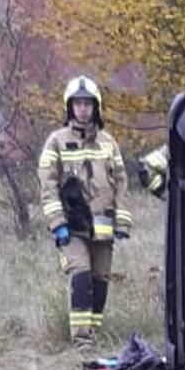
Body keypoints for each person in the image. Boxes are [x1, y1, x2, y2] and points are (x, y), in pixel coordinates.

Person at [39, 76, 128, 350]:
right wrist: (57, 223)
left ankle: (94, 333)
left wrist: (122, 221)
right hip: (72, 226)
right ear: (69, 107)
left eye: (87, 104)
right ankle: (81, 340)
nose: (83, 109)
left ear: (95, 107)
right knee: (81, 273)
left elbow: (121, 182)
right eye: (77, 104)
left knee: (100, 280)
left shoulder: (108, 142)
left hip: (102, 226)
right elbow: (47, 184)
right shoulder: (57, 141)